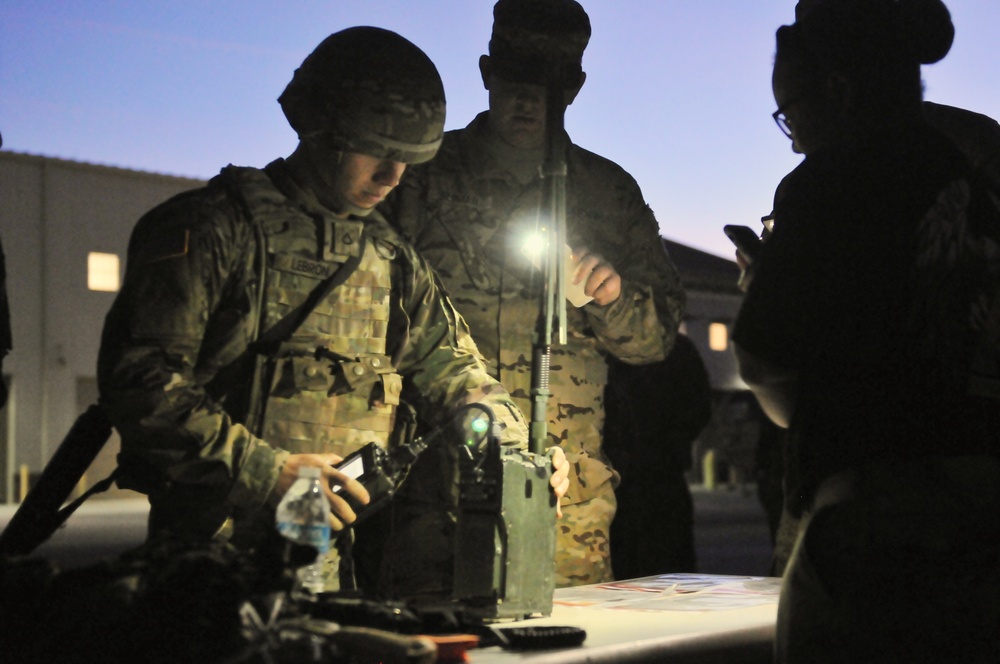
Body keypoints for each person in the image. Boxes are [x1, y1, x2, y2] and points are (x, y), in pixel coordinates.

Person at [97, 26, 568, 593]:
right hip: (206, 560)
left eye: (407, 161)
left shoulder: (392, 260)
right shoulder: (216, 227)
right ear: (321, 129)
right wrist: (266, 472)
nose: (392, 178)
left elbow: (458, 375)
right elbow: (142, 382)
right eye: (377, 151)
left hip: (329, 562)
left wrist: (522, 456)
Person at [382, 0, 685, 588]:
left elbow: (657, 341)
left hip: (563, 502)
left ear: (574, 87)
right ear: (485, 72)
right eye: (512, 81)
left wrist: (611, 297)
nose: (525, 100)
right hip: (432, 487)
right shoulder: (420, 174)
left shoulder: (607, 194)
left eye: (544, 86)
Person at [731, 0, 1000, 661]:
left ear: (840, 90)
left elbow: (765, 359)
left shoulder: (831, 179)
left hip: (871, 533)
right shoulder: (966, 175)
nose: (793, 137)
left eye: (791, 114)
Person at [603, 332, 711, 578]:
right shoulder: (675, 346)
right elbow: (700, 406)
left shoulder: (607, 344)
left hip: (633, 476)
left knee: (629, 570)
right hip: (660, 474)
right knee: (670, 571)